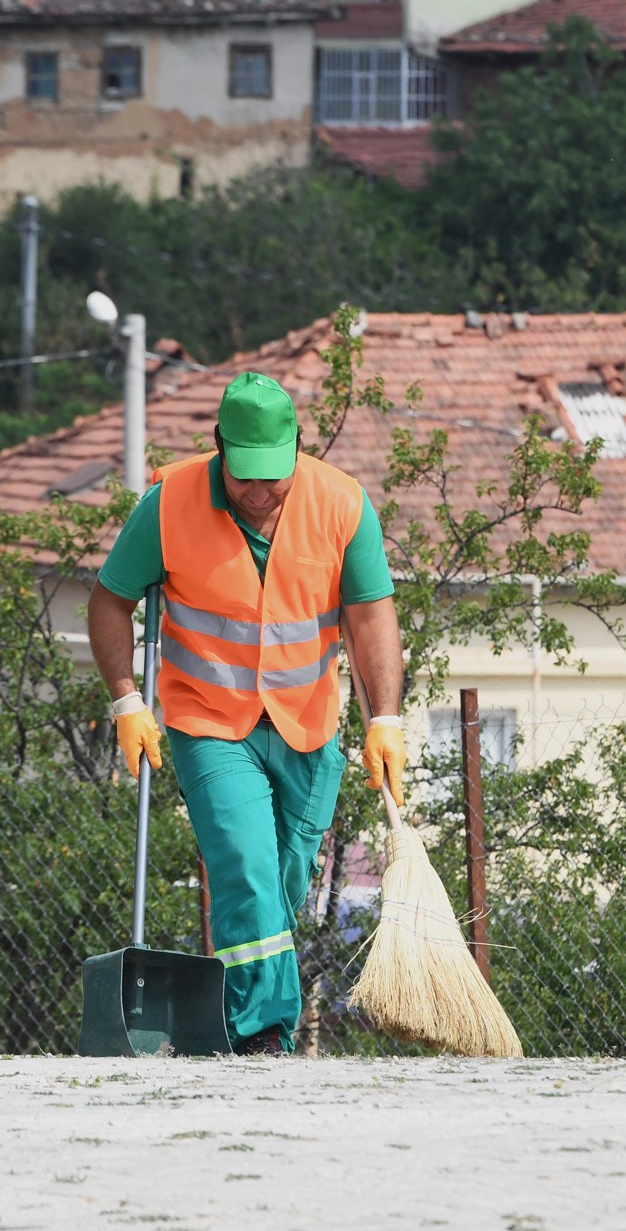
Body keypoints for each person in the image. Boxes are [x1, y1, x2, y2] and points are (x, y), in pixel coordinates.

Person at [86, 371, 406, 1055]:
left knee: (280, 884)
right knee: (245, 864)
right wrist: (125, 699)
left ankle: (231, 1019)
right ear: (219, 450)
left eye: (274, 475)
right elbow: (109, 599)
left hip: (307, 725)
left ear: (297, 450)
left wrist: (386, 718)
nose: (259, 492)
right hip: (209, 724)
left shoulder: (342, 504)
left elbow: (372, 613)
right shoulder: (169, 504)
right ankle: (264, 1034)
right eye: (244, 476)